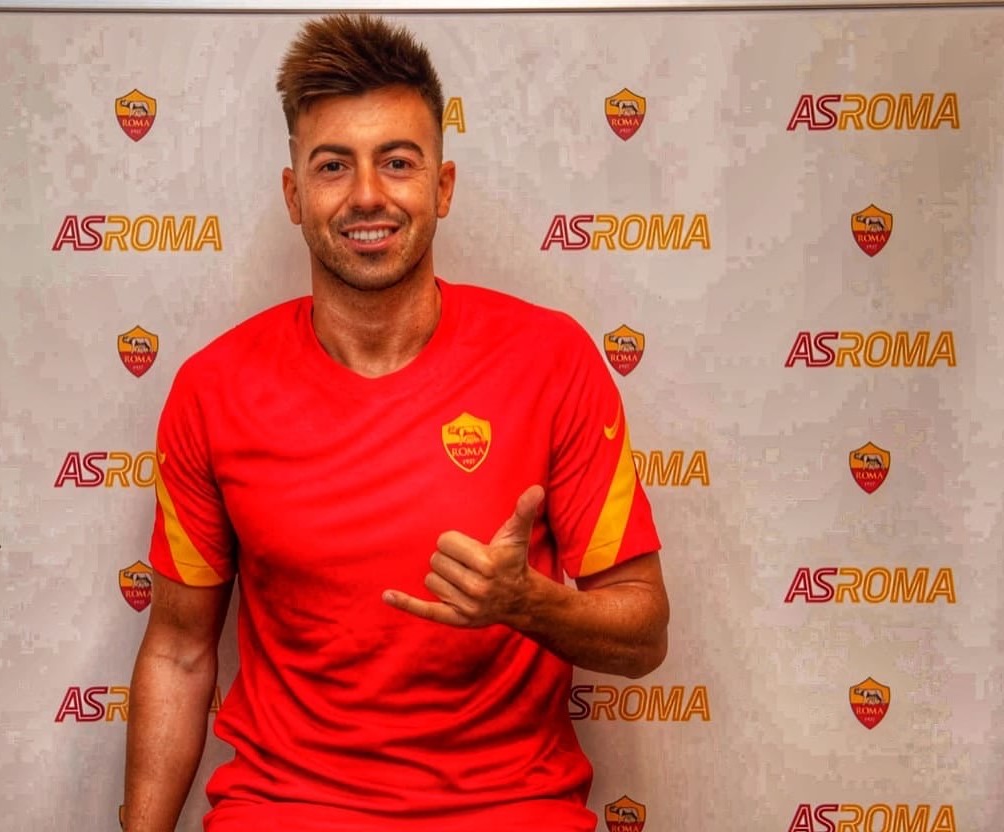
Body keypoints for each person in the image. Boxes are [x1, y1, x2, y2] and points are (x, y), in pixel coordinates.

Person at [123, 13, 669, 832]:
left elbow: (645, 634)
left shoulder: (552, 360)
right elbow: (178, 650)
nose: (368, 195)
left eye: (398, 162)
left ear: (441, 187)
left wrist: (528, 605)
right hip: (286, 812)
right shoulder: (212, 389)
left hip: (510, 811)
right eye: (333, 165)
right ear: (295, 195)